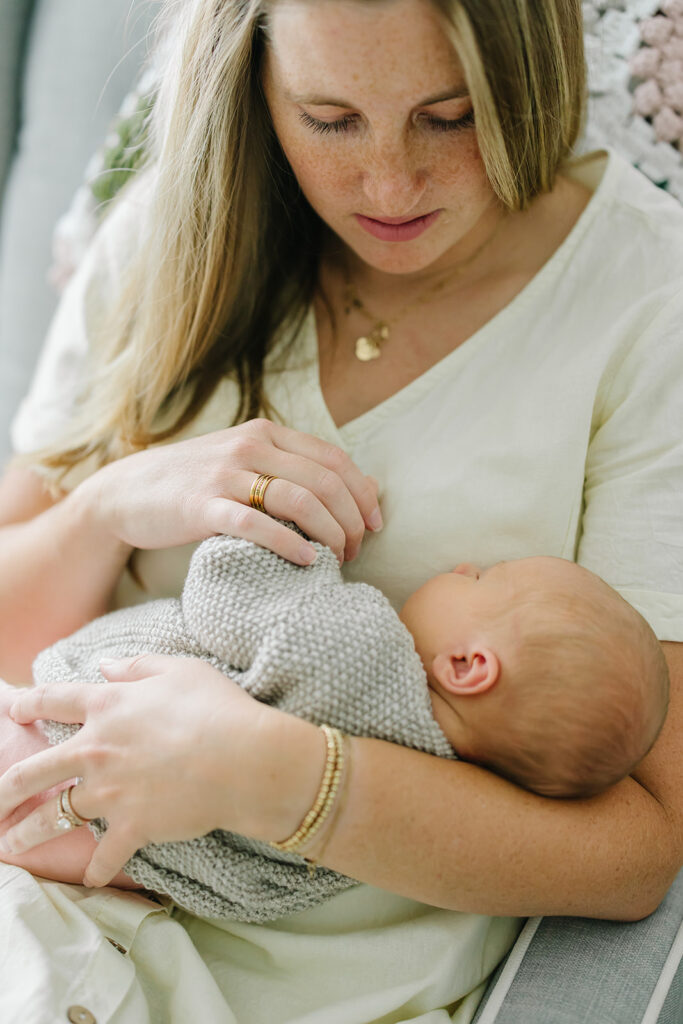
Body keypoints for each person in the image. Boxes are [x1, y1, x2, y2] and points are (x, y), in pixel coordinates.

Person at [0, 0, 680, 1021]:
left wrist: (271, 775)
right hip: (36, 896)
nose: (390, 182)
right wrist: (107, 506)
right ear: (258, 79)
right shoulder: (169, 229)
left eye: (447, 116)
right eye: (328, 119)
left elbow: (635, 850)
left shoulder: (646, 297)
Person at [0, 536, 669, 923]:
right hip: (132, 864)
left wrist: (277, 529)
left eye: (484, 579)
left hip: (70, 751)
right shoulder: (438, 788)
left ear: (468, 665)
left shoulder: (360, 651)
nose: (465, 567)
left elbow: (229, 597)